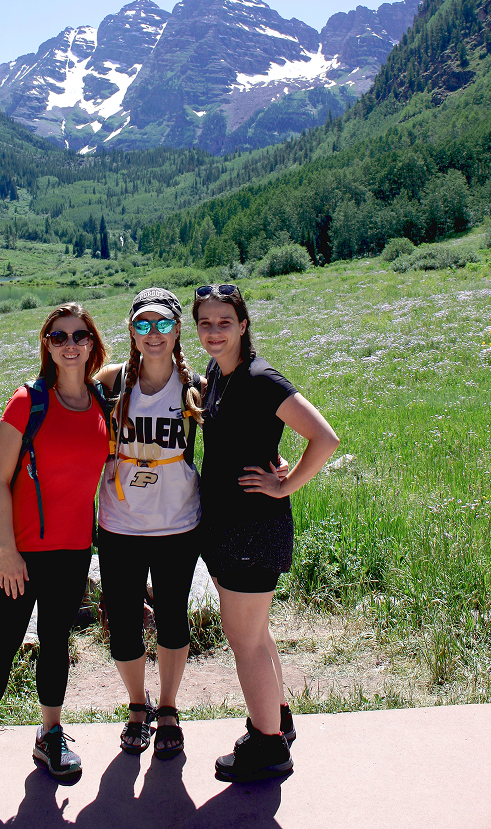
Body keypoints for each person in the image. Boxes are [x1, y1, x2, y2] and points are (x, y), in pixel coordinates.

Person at [190, 282, 341, 785]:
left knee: (246, 643)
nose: (214, 332)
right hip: (227, 527)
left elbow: (325, 437)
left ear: (243, 324)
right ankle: (277, 716)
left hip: (252, 528)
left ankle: (268, 746)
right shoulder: (219, 373)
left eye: (224, 322)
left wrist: (287, 484)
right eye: (205, 323)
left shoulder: (259, 378)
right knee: (256, 634)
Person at [0, 303, 111, 809]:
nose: (70, 343)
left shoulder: (100, 403)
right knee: (2, 646)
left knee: (54, 643)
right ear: (46, 344)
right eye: (59, 335)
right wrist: (6, 553)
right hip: (19, 554)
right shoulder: (27, 402)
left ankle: (50, 735)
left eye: (80, 335)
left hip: (72, 552)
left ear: (93, 343)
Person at [92, 287, 207, 759]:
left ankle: (168, 709)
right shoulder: (111, 382)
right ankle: (136, 706)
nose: (153, 334)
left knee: (174, 620)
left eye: (163, 324)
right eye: (143, 324)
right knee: (122, 624)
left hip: (178, 524)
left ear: (178, 330)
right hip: (119, 524)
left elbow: (231, 433)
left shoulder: (196, 385)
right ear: (131, 330)